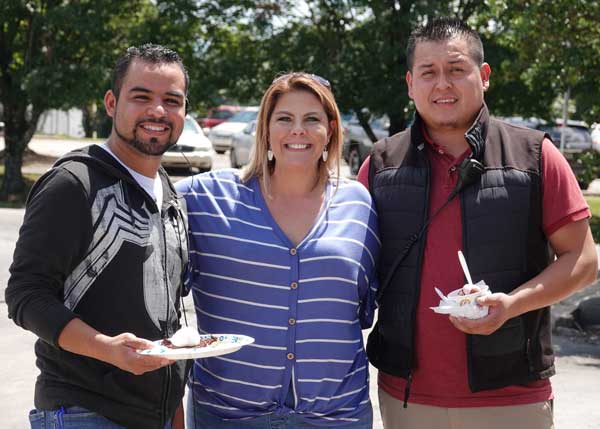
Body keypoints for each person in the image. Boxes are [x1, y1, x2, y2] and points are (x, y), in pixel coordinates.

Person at [357, 17, 598, 429]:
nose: (442, 84)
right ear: (410, 83)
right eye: (428, 73)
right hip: (407, 398)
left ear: (483, 76)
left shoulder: (535, 155)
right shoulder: (380, 164)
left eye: (456, 70)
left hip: (512, 397)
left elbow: (583, 260)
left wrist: (511, 306)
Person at [176, 72, 380, 428]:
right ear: (266, 130)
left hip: (336, 416)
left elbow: (362, 304)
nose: (297, 130)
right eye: (284, 118)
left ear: (330, 129)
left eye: (312, 119)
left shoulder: (358, 203)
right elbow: (139, 195)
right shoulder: (205, 197)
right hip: (228, 415)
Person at [5, 44, 191, 429]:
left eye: (171, 100)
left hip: (153, 417)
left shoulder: (170, 194)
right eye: (142, 97)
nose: (158, 111)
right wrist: (106, 349)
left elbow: (166, 318)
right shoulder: (74, 183)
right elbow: (26, 294)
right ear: (111, 102)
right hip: (83, 413)